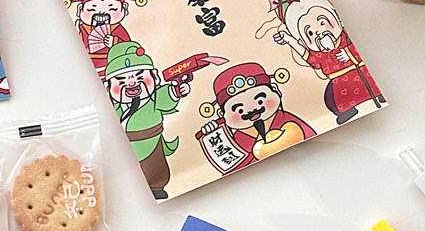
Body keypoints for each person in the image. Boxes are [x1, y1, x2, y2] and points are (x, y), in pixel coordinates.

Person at [274, 0, 385, 122]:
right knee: (330, 99)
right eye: (310, 33)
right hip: (338, 84)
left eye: (322, 23)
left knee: (375, 79)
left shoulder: (345, 37)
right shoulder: (320, 54)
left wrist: (348, 53)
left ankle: (379, 94)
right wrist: (290, 40)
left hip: (360, 74)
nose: (319, 32)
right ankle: (347, 111)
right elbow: (308, 57)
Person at [103, 41, 188, 200]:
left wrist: (176, 91)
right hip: (125, 145)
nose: (131, 83)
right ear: (108, 87)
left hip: (151, 140)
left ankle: (157, 186)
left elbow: (166, 96)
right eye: (121, 80)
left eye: (139, 76)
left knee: (155, 165)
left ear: (155, 77)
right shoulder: (117, 107)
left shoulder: (153, 99)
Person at [198, 62, 315, 171]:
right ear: (222, 115)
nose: (251, 110)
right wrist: (212, 136)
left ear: (276, 91)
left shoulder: (285, 120)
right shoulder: (237, 139)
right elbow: (233, 169)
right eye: (239, 109)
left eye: (260, 101)